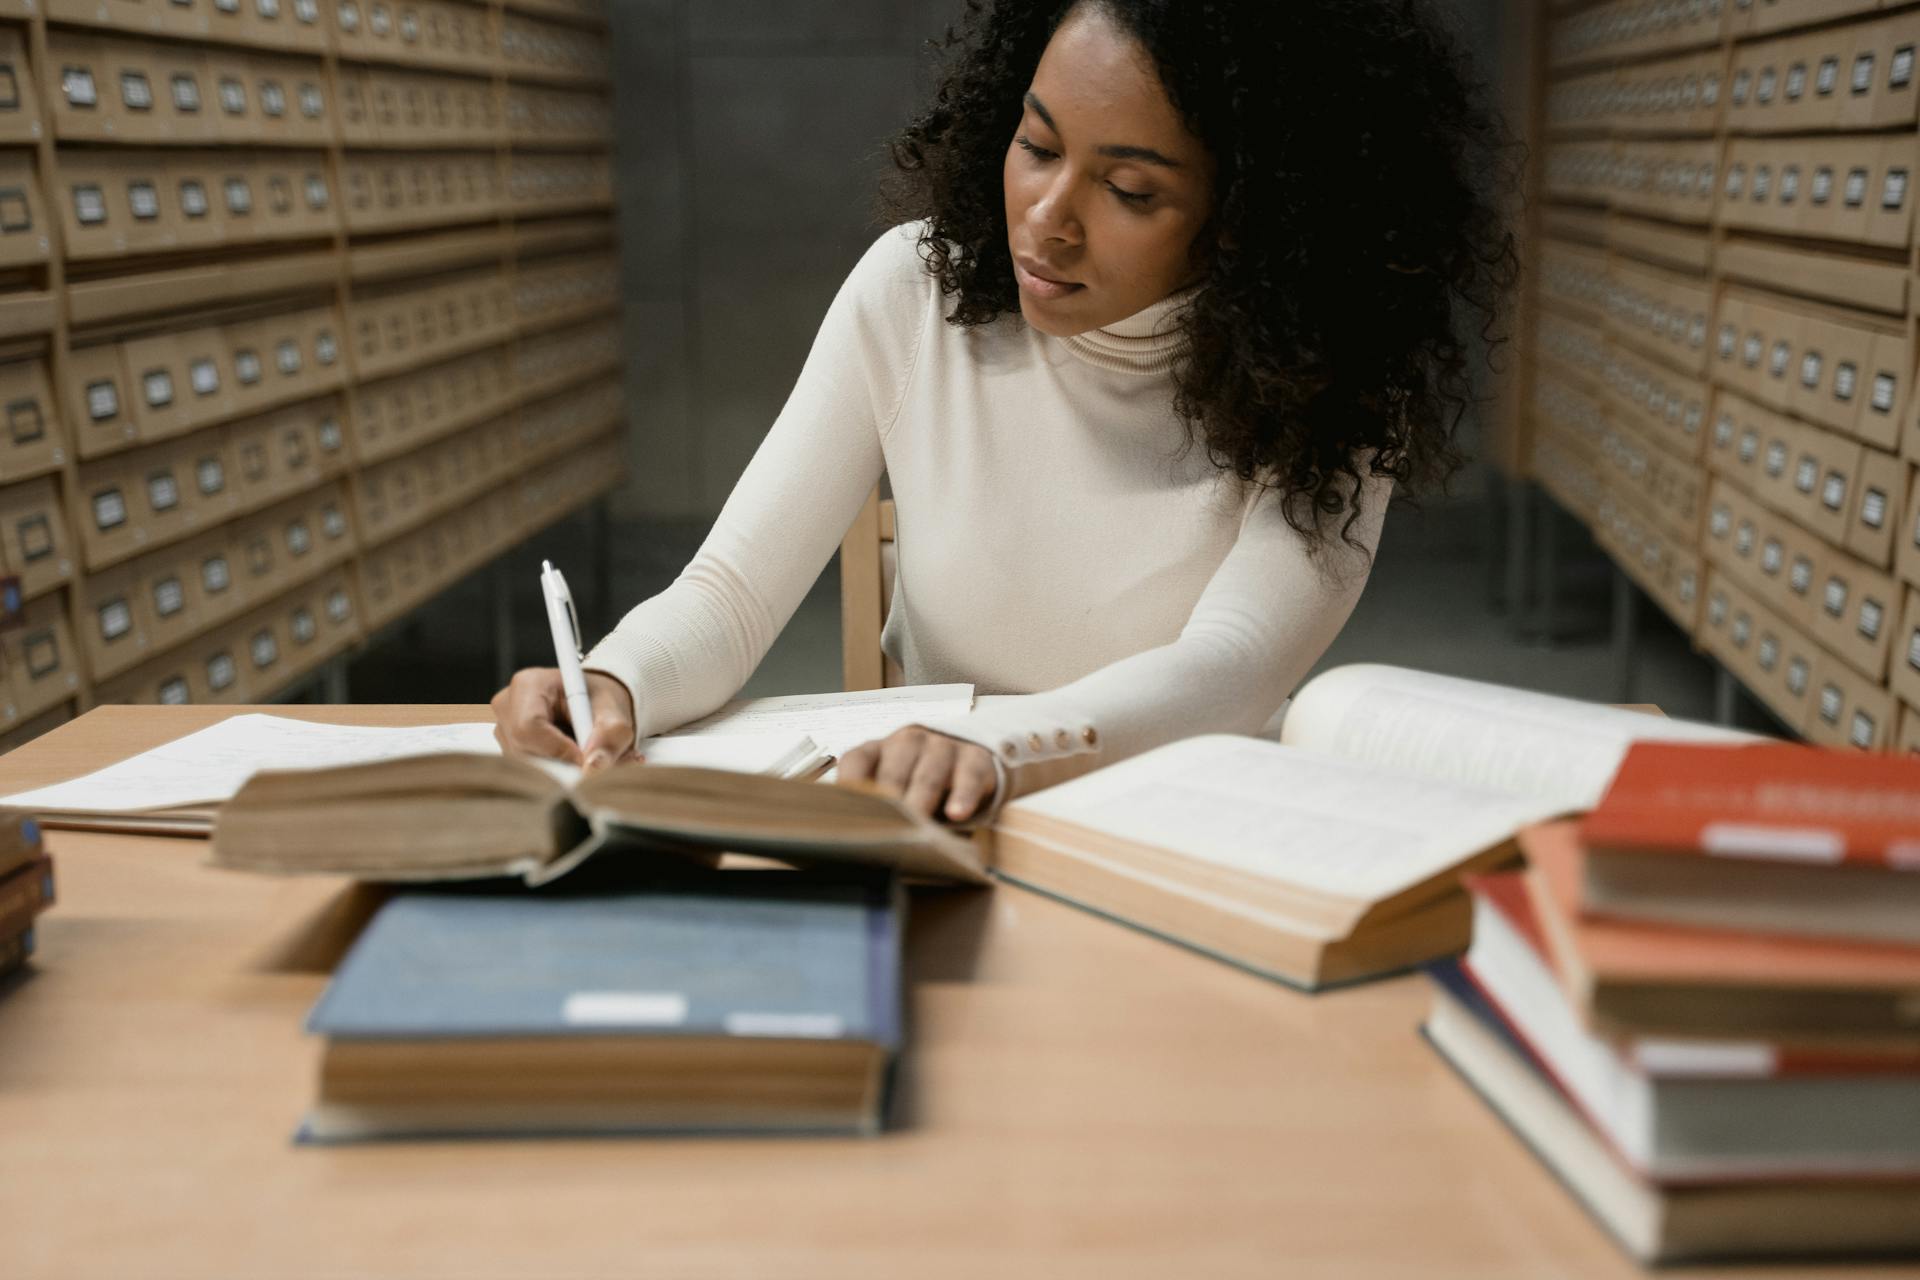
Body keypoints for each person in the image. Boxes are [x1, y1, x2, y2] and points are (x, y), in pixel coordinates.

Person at [493, 0, 1517, 824]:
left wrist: (1000, 745)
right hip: (947, 832)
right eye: (1038, 144)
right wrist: (613, 682)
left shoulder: (1333, 385)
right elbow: (727, 595)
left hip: (1181, 834)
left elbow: (1232, 668)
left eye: (1128, 188)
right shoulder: (913, 294)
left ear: (1249, 220)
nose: (1048, 216)